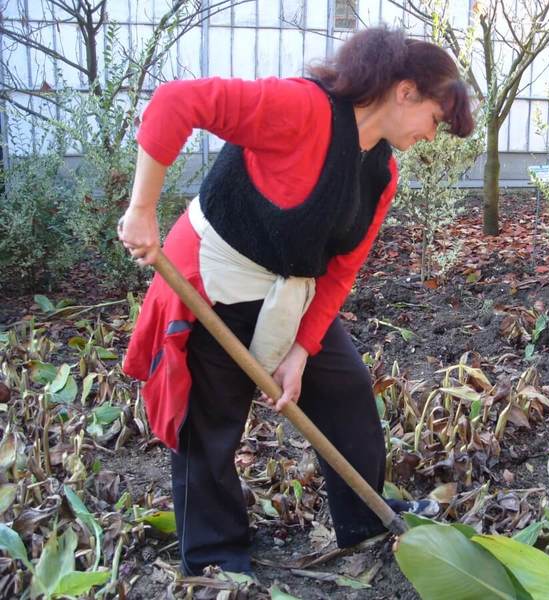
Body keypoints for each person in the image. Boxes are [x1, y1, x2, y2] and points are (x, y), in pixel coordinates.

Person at [117, 27, 474, 577]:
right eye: (435, 118)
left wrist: (302, 349)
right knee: (211, 420)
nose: (433, 134)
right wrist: (143, 209)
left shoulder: (381, 171)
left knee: (346, 385)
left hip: (289, 289)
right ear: (405, 92)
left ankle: (365, 520)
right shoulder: (300, 108)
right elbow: (175, 101)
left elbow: (340, 270)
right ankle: (216, 557)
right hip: (214, 277)